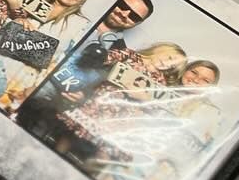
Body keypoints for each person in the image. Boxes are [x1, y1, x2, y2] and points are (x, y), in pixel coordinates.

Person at [13, 0, 154, 143]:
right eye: (123, 6)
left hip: (45, 106)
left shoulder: (120, 55)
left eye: (133, 16)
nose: (124, 14)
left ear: (137, 23)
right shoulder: (74, 16)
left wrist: (83, 96)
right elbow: (16, 39)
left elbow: (103, 90)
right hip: (17, 74)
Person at [54, 41, 188, 171]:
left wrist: (143, 97)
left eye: (172, 66)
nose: (168, 64)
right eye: (170, 58)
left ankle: (85, 177)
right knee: (71, 135)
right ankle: (52, 158)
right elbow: (111, 57)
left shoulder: (160, 82)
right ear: (161, 49)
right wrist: (101, 56)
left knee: (105, 153)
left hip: (122, 117)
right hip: (100, 103)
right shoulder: (131, 55)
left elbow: (156, 106)